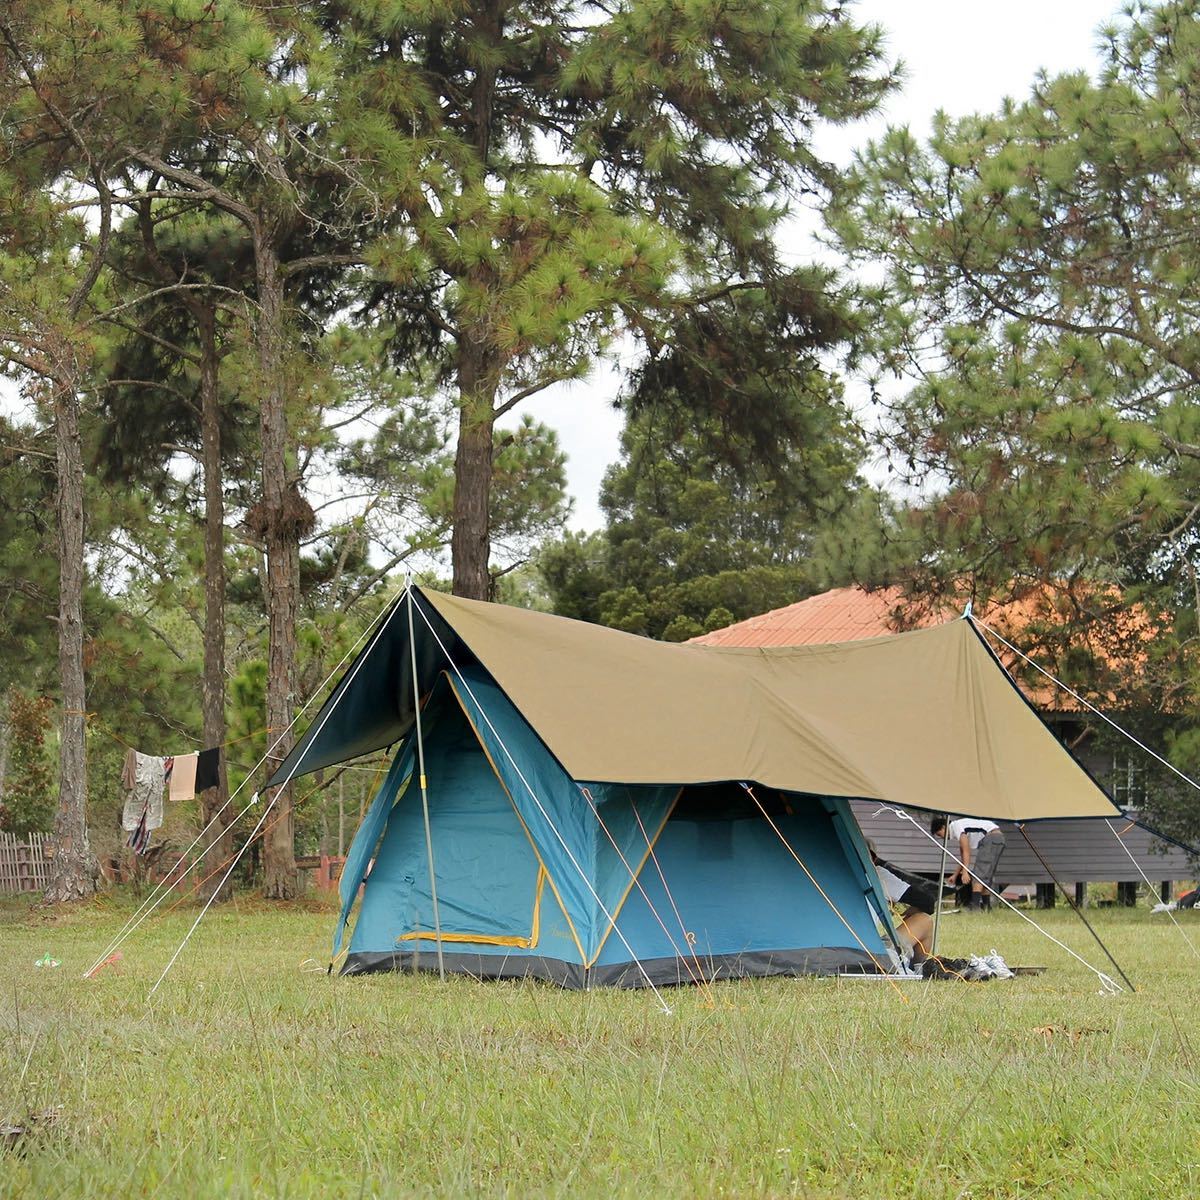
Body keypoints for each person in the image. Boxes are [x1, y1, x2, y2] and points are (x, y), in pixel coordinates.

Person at [867, 841, 943, 966]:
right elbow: (927, 903)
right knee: (924, 920)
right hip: (868, 952)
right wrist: (905, 910)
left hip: (827, 950)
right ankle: (917, 969)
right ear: (873, 858)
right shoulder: (877, 874)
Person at [930, 815, 1006, 910]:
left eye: (939, 834)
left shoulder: (955, 826)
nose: (942, 837)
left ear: (943, 827)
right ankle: (987, 908)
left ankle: (975, 908)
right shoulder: (961, 828)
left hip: (991, 838)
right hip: (998, 839)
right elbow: (963, 856)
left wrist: (965, 872)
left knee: (977, 877)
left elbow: (966, 851)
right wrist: (955, 875)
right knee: (985, 877)